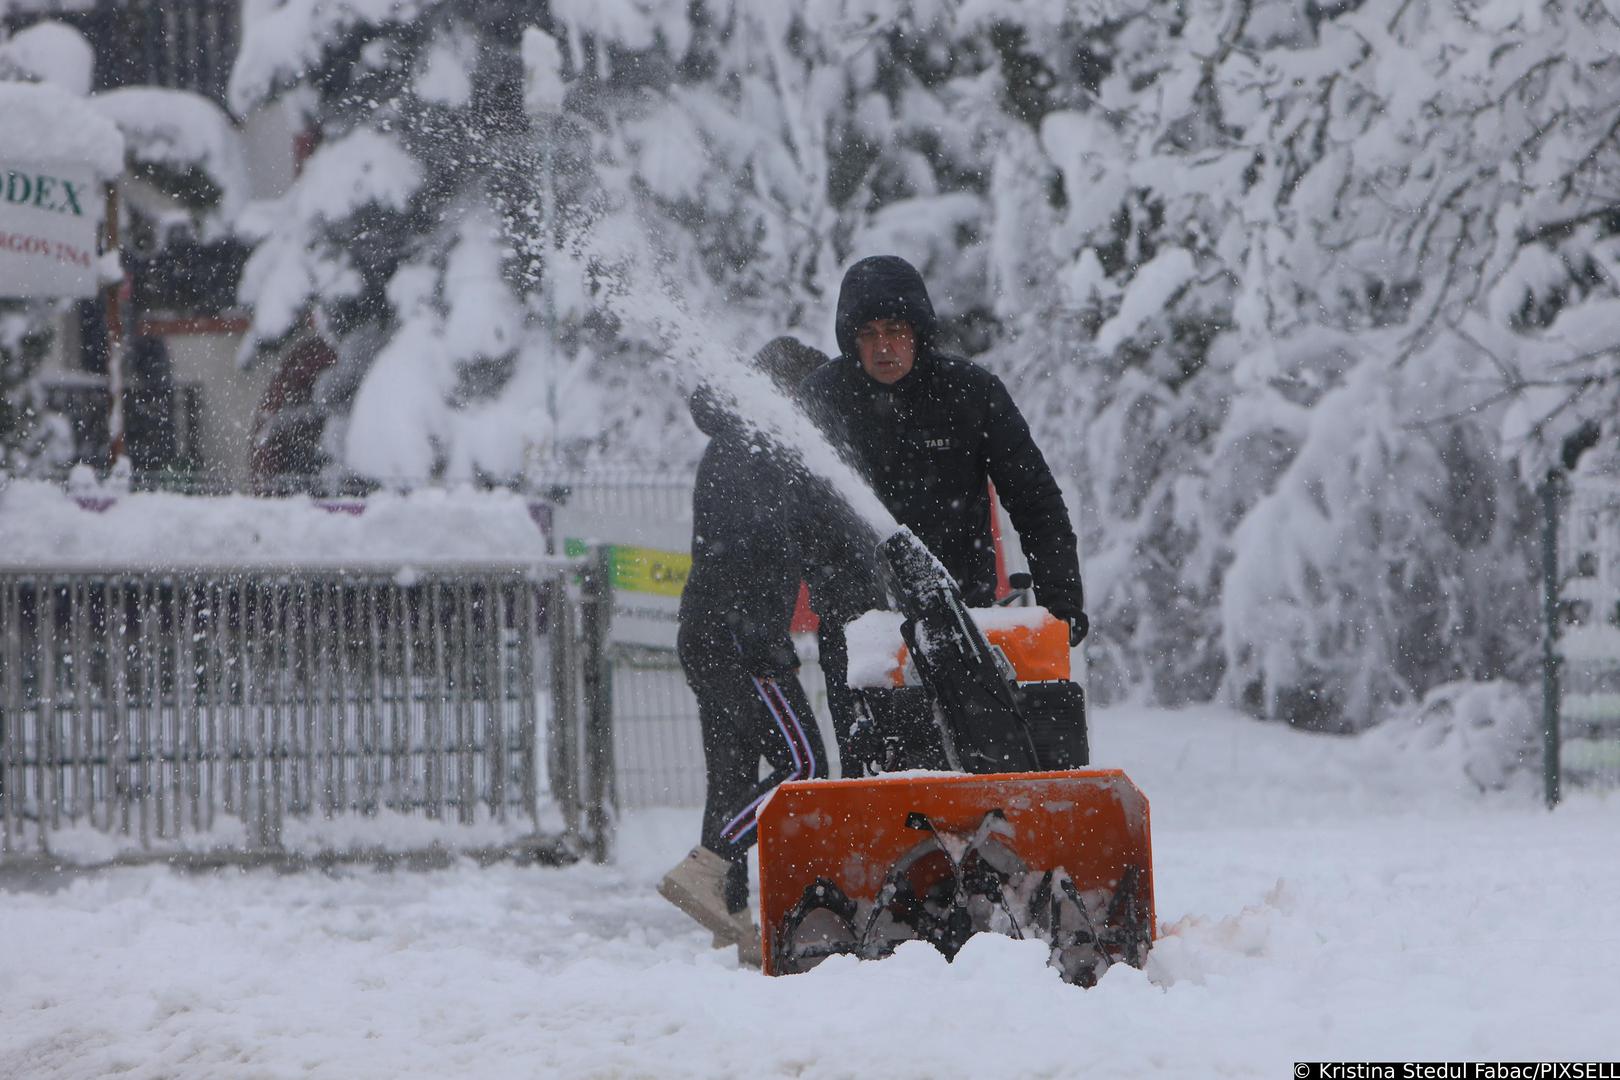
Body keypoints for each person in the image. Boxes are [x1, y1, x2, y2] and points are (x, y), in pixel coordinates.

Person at [801, 255, 1089, 767]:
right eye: (868, 333)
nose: (884, 345)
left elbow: (1036, 501)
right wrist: (847, 605)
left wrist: (1060, 600)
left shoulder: (971, 395)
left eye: (895, 328)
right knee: (872, 775)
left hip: (965, 622)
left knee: (973, 764)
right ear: (851, 340)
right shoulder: (823, 401)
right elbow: (800, 519)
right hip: (862, 633)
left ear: (919, 332)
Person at [658, 336, 850, 967]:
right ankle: (710, 865)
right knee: (804, 769)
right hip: (745, 643)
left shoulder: (734, 442)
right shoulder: (760, 448)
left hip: (711, 633)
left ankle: (735, 920)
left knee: (734, 773)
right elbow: (765, 540)